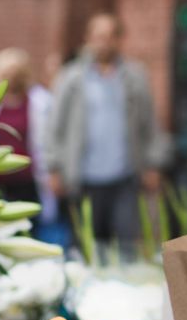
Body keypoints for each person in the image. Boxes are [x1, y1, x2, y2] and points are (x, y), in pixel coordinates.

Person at [45, 13, 168, 257]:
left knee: (126, 249)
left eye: (110, 36)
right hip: (83, 178)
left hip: (124, 177)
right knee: (85, 250)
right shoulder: (71, 77)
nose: (104, 42)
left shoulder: (134, 76)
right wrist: (54, 167)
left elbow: (150, 123)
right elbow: (54, 126)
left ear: (120, 40)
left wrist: (153, 163)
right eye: (98, 36)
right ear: (88, 39)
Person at [0, 48, 57, 232]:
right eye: (7, 73)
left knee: (31, 229)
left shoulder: (39, 100)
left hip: (28, 180)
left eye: (16, 73)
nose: (12, 78)